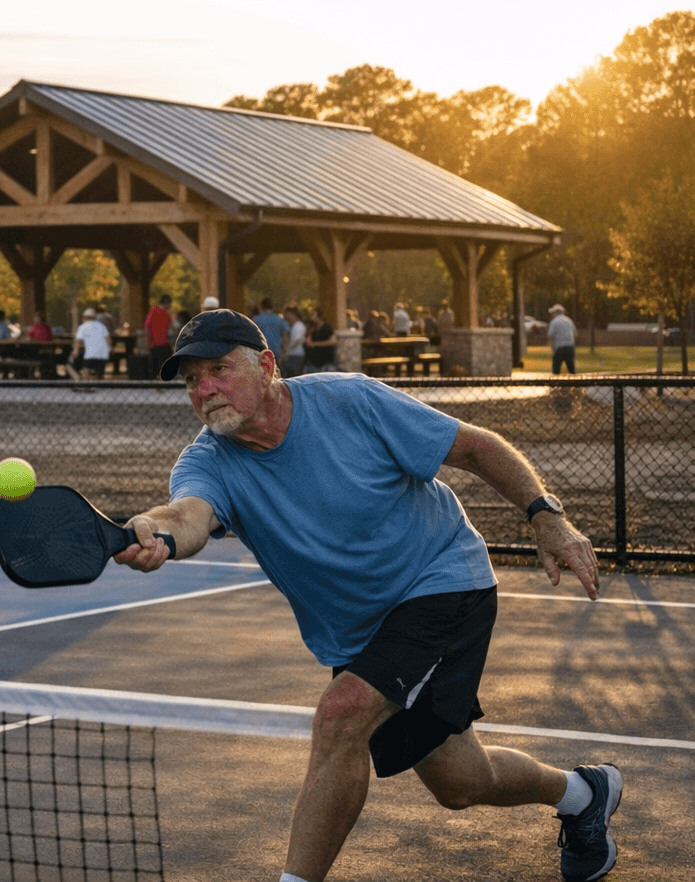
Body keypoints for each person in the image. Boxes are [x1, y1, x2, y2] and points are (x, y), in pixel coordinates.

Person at [118, 309, 620, 882]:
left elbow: (476, 448)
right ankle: (584, 793)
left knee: (341, 714)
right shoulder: (207, 461)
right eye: (190, 380)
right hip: (361, 633)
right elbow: (187, 515)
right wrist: (154, 532)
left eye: (218, 369)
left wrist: (545, 516)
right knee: (460, 782)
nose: (205, 390)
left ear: (266, 365)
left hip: (441, 579)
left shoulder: (350, 402)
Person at [71, 306, 111, 380]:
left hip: (91, 354)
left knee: (86, 369)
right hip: (103, 353)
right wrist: (110, 349)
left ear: (85, 318)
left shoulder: (83, 327)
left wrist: (75, 351)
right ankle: (100, 385)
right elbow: (108, 339)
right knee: (100, 372)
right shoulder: (102, 326)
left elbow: (78, 341)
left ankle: (86, 385)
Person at [252, 297, 290, 364]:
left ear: (262, 306)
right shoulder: (280, 319)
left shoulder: (256, 319)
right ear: (272, 307)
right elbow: (286, 335)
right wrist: (285, 351)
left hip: (262, 351)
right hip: (277, 351)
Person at [146, 293, 174, 378]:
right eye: (169, 303)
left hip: (165, 344)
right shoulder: (155, 311)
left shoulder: (167, 315)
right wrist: (149, 340)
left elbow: (169, 329)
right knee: (156, 366)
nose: (170, 305)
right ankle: (157, 383)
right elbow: (147, 327)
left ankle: (163, 380)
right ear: (166, 303)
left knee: (165, 364)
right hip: (156, 344)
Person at [303, 307, 339, 372]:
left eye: (313, 314)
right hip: (313, 364)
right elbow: (307, 342)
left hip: (325, 363)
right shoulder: (312, 328)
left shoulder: (326, 327)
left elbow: (333, 341)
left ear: (319, 316)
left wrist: (315, 344)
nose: (311, 317)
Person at [548, 304, 577, 375]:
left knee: (556, 370)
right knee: (572, 370)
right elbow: (575, 334)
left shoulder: (554, 321)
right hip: (570, 347)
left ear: (556, 313)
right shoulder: (569, 320)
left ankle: (555, 384)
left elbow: (550, 336)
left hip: (559, 348)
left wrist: (552, 350)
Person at [281, 304, 306, 378]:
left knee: (294, 377)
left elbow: (297, 340)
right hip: (293, 355)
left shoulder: (298, 325)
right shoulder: (294, 325)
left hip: (296, 355)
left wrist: (287, 348)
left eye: (287, 315)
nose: (287, 318)